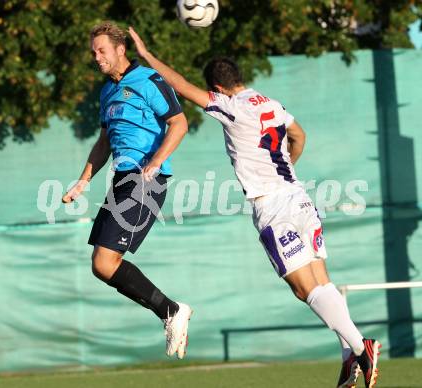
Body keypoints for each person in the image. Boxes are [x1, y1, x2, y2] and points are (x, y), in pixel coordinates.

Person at [128, 26, 381, 387]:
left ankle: (361, 346)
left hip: (273, 206)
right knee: (322, 280)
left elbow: (181, 86)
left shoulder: (230, 108)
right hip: (299, 195)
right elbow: (299, 136)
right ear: (239, 78)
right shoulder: (270, 104)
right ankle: (349, 358)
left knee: (304, 288)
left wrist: (147, 55)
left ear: (216, 88)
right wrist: (287, 170)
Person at [62, 21, 192, 360]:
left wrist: (156, 160)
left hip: (145, 179)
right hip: (122, 181)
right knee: (101, 265)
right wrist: (83, 180)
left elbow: (180, 124)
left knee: (106, 261)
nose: (97, 57)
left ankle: (171, 312)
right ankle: (171, 310)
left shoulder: (149, 80)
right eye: (93, 52)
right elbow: (104, 141)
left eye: (101, 50)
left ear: (120, 50)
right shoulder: (107, 92)